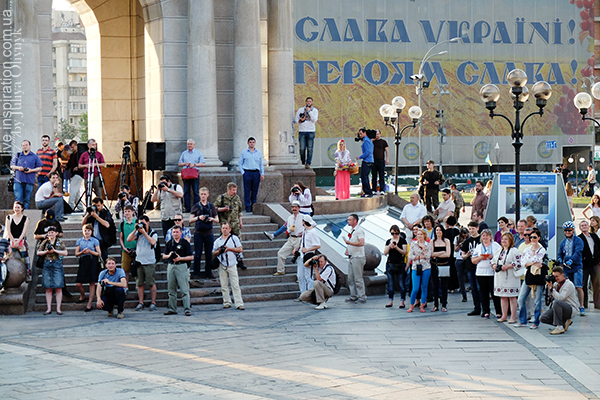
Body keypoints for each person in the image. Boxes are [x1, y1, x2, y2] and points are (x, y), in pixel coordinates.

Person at [515, 228, 546, 329]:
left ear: (539, 238)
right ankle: (523, 320)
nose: (531, 239)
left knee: (537, 300)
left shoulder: (541, 249)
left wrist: (533, 254)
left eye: (534, 237)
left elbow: (535, 259)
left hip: (538, 276)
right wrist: (533, 262)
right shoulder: (526, 249)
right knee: (521, 299)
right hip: (528, 274)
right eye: (530, 237)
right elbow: (523, 263)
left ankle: (536, 322)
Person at [127, 215, 158, 312]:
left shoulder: (153, 233)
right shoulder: (138, 233)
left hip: (149, 262)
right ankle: (141, 302)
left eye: (143, 223)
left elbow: (153, 242)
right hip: (139, 261)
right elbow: (128, 239)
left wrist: (144, 232)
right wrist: (135, 229)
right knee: (139, 283)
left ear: (148, 223)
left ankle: (153, 302)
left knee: (151, 283)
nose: (142, 225)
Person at [163, 225, 194, 316]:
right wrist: (169, 255)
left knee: (184, 289)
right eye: (174, 232)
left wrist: (181, 258)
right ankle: (172, 308)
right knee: (171, 289)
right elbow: (164, 256)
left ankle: (187, 309)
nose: (175, 234)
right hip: (171, 266)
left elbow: (191, 257)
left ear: (181, 233)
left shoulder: (185, 243)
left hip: (181, 265)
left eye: (177, 232)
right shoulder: (169, 243)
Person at [213, 222, 245, 310]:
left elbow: (240, 249)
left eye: (226, 228)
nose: (225, 230)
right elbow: (213, 252)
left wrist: (229, 249)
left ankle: (239, 303)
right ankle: (226, 302)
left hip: (232, 264)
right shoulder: (218, 241)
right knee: (224, 285)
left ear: (230, 229)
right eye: (223, 228)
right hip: (222, 264)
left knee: (235, 285)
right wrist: (219, 251)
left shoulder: (234, 238)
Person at [556, 221, 586, 316]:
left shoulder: (578, 240)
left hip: (576, 266)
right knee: (566, 286)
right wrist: (560, 260)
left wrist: (571, 261)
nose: (568, 232)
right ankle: (570, 305)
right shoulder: (563, 242)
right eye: (566, 230)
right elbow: (560, 252)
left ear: (573, 230)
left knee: (578, 286)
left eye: (569, 230)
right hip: (566, 268)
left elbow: (578, 252)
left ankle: (581, 306)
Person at [491, 232, 521, 323]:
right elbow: (493, 261)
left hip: (511, 277)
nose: (503, 241)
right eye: (502, 239)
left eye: (506, 239)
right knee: (503, 297)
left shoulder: (514, 251)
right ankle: (504, 316)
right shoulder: (499, 251)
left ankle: (513, 317)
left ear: (510, 240)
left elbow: (519, 263)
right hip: (500, 277)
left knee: (512, 297)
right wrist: (494, 265)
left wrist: (508, 266)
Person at [541, 265, 579, 334]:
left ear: (562, 275)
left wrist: (552, 289)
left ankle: (560, 327)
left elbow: (560, 298)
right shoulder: (556, 284)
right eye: (554, 276)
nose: (556, 278)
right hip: (559, 308)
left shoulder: (568, 284)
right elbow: (550, 292)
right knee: (543, 318)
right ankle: (565, 323)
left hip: (571, 308)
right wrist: (548, 283)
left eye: (557, 276)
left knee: (556, 302)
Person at [190, 187, 219, 280]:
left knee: (209, 254)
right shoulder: (196, 206)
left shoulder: (212, 207)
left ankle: (208, 272)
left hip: (209, 232)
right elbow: (190, 219)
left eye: (204, 194)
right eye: (201, 194)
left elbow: (217, 220)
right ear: (199, 195)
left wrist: (211, 219)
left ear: (208, 195)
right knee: (197, 253)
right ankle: (196, 273)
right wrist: (198, 217)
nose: (203, 196)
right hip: (198, 232)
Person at [472, 229, 501, 319]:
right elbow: (473, 260)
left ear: (490, 237)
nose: (485, 237)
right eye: (483, 236)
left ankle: (498, 311)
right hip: (481, 272)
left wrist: (492, 257)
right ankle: (485, 311)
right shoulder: (479, 246)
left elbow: (501, 257)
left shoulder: (496, 245)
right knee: (483, 293)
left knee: (494, 293)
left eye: (487, 235)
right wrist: (480, 257)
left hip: (492, 273)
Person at [38, 226, 67, 315]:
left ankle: (58, 308)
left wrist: (55, 251)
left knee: (58, 287)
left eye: (52, 232)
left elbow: (65, 252)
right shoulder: (44, 242)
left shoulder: (59, 242)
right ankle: (48, 308)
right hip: (47, 263)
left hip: (57, 263)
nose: (51, 234)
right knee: (48, 288)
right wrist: (46, 252)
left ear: (56, 233)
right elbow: (38, 252)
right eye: (49, 232)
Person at [74, 224, 101, 312]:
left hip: (92, 260)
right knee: (78, 283)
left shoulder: (95, 240)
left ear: (91, 231)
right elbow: (76, 253)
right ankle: (83, 296)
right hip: (83, 260)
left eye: (89, 231)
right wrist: (82, 252)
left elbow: (98, 253)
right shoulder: (79, 240)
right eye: (85, 230)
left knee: (92, 282)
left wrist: (90, 251)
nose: (87, 232)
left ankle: (89, 303)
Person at [273, 201, 304, 276]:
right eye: (293, 207)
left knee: (298, 257)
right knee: (281, 253)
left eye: (296, 207)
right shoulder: (290, 218)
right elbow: (287, 232)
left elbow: (313, 225)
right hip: (291, 238)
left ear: (299, 208)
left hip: (299, 239)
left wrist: (304, 232)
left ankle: (300, 276)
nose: (294, 209)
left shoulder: (303, 217)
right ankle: (280, 270)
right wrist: (289, 230)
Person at [10, 140, 42, 209]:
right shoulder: (18, 155)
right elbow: (12, 166)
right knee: (18, 199)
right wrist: (18, 168)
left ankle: (25, 215)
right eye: (23, 145)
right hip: (18, 180)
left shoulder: (35, 156)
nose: (25, 147)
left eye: (26, 145)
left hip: (29, 181)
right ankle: (17, 215)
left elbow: (40, 168)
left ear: (30, 146)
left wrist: (31, 170)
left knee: (27, 200)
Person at [407, 228, 433, 313]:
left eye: (421, 234)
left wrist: (424, 248)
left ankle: (422, 305)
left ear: (424, 235)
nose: (419, 236)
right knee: (415, 288)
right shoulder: (413, 244)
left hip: (426, 267)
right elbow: (411, 256)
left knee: (424, 287)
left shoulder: (428, 245)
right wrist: (420, 256)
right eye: (418, 234)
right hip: (416, 267)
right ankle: (411, 305)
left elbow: (428, 256)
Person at [294, 214, 321, 295]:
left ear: (304, 222)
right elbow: (303, 242)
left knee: (308, 276)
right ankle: (303, 294)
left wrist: (307, 250)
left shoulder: (312, 232)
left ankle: (309, 294)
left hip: (308, 256)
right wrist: (297, 248)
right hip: (302, 256)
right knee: (300, 276)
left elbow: (318, 245)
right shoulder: (305, 231)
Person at [82, 197, 115, 262]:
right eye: (95, 206)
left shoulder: (106, 213)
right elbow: (83, 223)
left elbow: (107, 225)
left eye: (98, 205)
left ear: (102, 204)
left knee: (104, 258)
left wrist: (96, 216)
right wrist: (88, 213)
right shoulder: (93, 213)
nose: (97, 207)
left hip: (103, 240)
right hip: (94, 239)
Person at [4, 201, 31, 280]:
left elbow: (24, 232)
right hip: (10, 240)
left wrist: (18, 241)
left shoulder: (26, 218)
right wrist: (13, 241)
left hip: (21, 240)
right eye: (15, 207)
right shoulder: (9, 217)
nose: (16, 209)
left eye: (18, 207)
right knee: (8, 257)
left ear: (22, 208)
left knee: (25, 257)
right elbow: (8, 231)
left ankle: (27, 274)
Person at [344, 213, 367, 303]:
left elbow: (361, 243)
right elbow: (351, 241)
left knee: (358, 278)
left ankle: (362, 296)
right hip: (352, 256)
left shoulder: (359, 231)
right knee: (350, 278)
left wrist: (349, 244)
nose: (348, 221)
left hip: (358, 257)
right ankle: (353, 295)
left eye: (350, 220)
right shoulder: (352, 230)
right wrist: (347, 249)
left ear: (355, 221)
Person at [178, 139, 205, 213]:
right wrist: (185, 163)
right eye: (188, 144)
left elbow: (203, 163)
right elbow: (179, 163)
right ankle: (187, 208)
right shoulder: (184, 153)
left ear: (194, 145)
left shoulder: (198, 153)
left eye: (191, 144)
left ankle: (196, 208)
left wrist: (195, 165)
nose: (189, 145)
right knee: (186, 191)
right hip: (186, 174)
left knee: (196, 191)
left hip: (194, 174)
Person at [238, 137, 264, 213]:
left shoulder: (258, 153)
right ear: (248, 143)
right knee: (247, 190)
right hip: (247, 172)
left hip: (256, 172)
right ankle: (247, 206)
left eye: (253, 142)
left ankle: (254, 205)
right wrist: (243, 173)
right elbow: (240, 163)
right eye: (250, 142)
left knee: (255, 190)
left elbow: (261, 164)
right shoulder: (244, 152)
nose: (252, 143)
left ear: (255, 143)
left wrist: (262, 173)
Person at [384, 225, 408, 308]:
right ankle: (390, 300)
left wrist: (397, 247)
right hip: (390, 263)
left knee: (401, 283)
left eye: (396, 233)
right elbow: (385, 252)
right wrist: (390, 246)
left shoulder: (402, 241)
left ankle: (402, 301)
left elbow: (404, 252)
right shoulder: (388, 241)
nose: (394, 235)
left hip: (400, 264)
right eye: (392, 233)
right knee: (391, 283)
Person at [578, 220, 600, 310]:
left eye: (585, 225)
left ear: (588, 226)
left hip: (595, 264)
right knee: (584, 284)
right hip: (584, 265)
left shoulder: (594, 236)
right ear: (580, 228)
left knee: (597, 284)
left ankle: (597, 303)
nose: (584, 226)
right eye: (582, 225)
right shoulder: (579, 238)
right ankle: (584, 303)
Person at [462, 221, 482, 316]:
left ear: (477, 228)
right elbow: (462, 255)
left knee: (480, 287)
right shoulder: (467, 241)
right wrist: (467, 255)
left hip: (480, 266)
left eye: (473, 228)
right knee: (473, 288)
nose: (471, 230)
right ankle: (476, 307)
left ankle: (483, 307)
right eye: (470, 229)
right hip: (470, 266)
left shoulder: (481, 239)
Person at [431, 224, 451, 312]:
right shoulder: (432, 241)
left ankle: (444, 304)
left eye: (440, 230)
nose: (438, 232)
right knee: (435, 285)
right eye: (437, 230)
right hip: (435, 265)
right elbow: (431, 254)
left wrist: (437, 254)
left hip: (444, 264)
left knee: (444, 285)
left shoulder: (447, 241)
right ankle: (436, 304)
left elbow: (448, 254)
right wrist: (442, 252)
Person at [293, 96, 318, 168]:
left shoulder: (315, 111)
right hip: (302, 131)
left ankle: (308, 163)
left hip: (311, 131)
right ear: (305, 102)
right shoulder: (301, 110)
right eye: (307, 101)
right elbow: (296, 120)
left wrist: (309, 111)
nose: (309, 103)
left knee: (310, 148)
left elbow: (314, 120)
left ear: (312, 103)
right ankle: (303, 161)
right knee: (302, 148)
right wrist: (301, 120)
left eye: (310, 101)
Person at [118, 205, 136, 288]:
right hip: (125, 249)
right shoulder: (122, 224)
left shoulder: (136, 223)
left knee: (137, 269)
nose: (127, 213)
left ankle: (137, 286)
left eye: (129, 211)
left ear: (133, 212)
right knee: (125, 270)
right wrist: (124, 247)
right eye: (125, 211)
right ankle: (125, 286)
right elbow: (121, 238)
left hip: (136, 249)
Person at [66, 140, 84, 212]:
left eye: (73, 147)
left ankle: (70, 206)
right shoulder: (72, 155)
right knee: (76, 192)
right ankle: (80, 207)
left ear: (76, 146)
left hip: (79, 173)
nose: (72, 149)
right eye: (71, 148)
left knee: (73, 190)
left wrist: (78, 167)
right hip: (73, 174)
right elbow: (69, 164)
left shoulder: (80, 154)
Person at [454, 227, 470, 303]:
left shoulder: (469, 239)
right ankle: (463, 295)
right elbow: (455, 249)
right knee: (461, 277)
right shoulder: (457, 238)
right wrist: (460, 245)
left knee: (470, 276)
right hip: (459, 258)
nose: (464, 236)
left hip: (467, 259)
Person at [356, 128, 374, 197]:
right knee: (365, 177)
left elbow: (367, 152)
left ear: (365, 133)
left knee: (364, 177)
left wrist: (360, 157)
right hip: (370, 160)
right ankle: (368, 191)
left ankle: (368, 192)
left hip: (366, 161)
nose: (360, 135)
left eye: (361, 133)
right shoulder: (368, 140)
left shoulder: (366, 141)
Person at [371, 130, 389, 195]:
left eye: (378, 134)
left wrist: (387, 159)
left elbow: (387, 151)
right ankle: (374, 189)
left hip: (381, 160)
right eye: (376, 134)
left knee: (381, 176)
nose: (377, 135)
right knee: (374, 176)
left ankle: (382, 189)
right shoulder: (372, 142)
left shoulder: (383, 142)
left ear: (380, 134)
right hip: (373, 161)